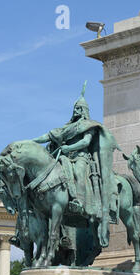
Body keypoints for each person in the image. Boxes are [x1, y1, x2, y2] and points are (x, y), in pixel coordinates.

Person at [32, 82, 119, 247]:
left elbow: (86, 142)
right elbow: (48, 136)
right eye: (75, 108)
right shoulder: (67, 127)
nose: (76, 111)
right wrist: (30, 143)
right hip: (65, 157)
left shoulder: (89, 125)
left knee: (79, 173)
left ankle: (79, 201)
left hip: (81, 157)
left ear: (85, 111)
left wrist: (69, 147)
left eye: (79, 108)